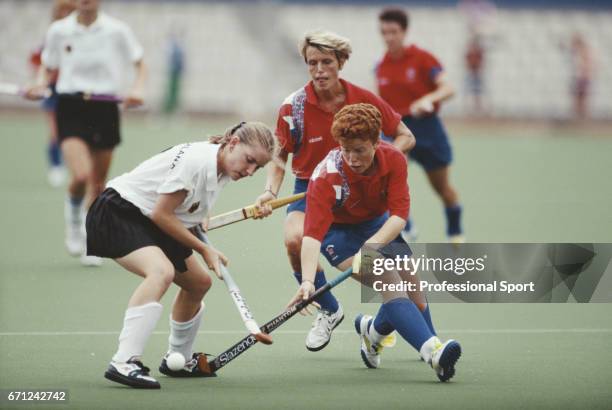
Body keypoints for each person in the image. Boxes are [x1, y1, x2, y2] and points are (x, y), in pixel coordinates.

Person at [254, 30, 416, 352]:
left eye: (326, 61)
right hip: (310, 188)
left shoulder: (363, 99)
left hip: (362, 190)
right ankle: (329, 309)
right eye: (311, 63)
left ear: (341, 62)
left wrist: (381, 165)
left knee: (405, 276)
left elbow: (405, 136)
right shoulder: (293, 107)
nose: (319, 70)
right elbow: (279, 155)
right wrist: (270, 193)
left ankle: (404, 334)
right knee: (294, 238)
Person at [86, 122, 277, 389]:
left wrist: (197, 220)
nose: (250, 171)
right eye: (249, 161)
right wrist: (204, 248)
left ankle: (178, 358)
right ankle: (124, 361)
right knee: (160, 272)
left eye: (257, 168)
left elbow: (182, 210)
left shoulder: (221, 167)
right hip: (120, 212)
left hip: (152, 218)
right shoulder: (198, 162)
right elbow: (161, 214)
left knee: (199, 283)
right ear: (232, 143)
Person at [287, 103, 461, 382]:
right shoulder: (325, 177)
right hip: (339, 235)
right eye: (346, 150)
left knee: (415, 298)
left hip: (378, 225)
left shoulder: (393, 159)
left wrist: (372, 244)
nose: (352, 158)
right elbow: (312, 236)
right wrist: (308, 281)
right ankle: (434, 352)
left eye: (360, 150)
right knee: (390, 282)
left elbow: (399, 216)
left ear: (376, 143)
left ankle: (373, 332)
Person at [25, 0, 147, 266]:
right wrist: (39, 84)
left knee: (98, 184)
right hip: (71, 106)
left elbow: (139, 63)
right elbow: (47, 65)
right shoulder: (59, 30)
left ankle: (90, 237)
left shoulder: (117, 30)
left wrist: (137, 89)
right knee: (80, 175)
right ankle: (73, 222)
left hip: (105, 108)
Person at [376, 8, 464, 243]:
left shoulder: (423, 58)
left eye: (393, 31)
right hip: (396, 130)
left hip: (427, 130)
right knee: (385, 179)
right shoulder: (380, 66)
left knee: (442, 188)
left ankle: (455, 231)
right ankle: (406, 226)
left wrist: (429, 99)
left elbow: (449, 88)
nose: (389, 37)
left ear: (404, 32)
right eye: (384, 32)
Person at [28, 0, 76, 187]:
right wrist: (39, 82)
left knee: (73, 132)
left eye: (69, 11)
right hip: (54, 91)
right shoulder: (52, 35)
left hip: (74, 91)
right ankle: (56, 166)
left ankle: (72, 165)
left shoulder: (81, 36)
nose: (65, 14)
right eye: (62, 11)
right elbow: (38, 62)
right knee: (56, 132)